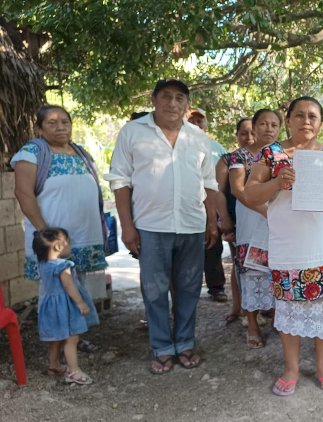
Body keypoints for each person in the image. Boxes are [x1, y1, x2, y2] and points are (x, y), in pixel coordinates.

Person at [244, 96, 323, 396]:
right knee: (289, 311)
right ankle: (291, 369)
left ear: (321, 123)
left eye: (312, 116)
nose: (306, 121)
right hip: (289, 249)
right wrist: (276, 183)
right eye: (299, 115)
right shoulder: (271, 154)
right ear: (288, 120)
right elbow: (250, 194)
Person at [106, 78, 219, 374]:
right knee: (154, 290)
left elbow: (208, 183)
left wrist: (211, 222)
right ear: (154, 100)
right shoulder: (133, 132)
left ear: (187, 105)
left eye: (180, 98)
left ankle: (185, 343)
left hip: (192, 225)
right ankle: (162, 348)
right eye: (166, 96)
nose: (172, 103)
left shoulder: (198, 137)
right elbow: (120, 180)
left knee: (189, 288)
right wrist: (127, 226)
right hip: (150, 226)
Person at [12, 104, 107, 355]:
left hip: (83, 236)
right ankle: (56, 347)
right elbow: (23, 193)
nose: (60, 127)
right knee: (55, 290)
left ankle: (75, 338)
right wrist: (46, 233)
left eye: (65, 122)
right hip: (52, 239)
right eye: (52, 123)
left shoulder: (80, 152)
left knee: (78, 287)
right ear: (39, 128)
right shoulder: (31, 153)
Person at [232, 110, 281, 348]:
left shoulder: (284, 153)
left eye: (274, 124)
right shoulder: (240, 155)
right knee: (250, 270)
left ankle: (278, 318)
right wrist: (264, 211)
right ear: (255, 127)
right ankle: (252, 325)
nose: (268, 129)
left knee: (278, 268)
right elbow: (237, 189)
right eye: (263, 124)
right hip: (251, 216)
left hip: (280, 218)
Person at [33, 228, 99, 385]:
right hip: (64, 306)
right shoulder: (62, 266)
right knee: (72, 338)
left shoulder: (43, 264)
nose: (70, 245)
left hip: (49, 307)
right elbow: (69, 286)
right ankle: (74, 371)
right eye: (68, 242)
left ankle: (54, 366)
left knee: (56, 339)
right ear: (58, 247)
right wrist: (80, 302)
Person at [189, 107, 229, 303]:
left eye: (200, 120)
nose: (197, 124)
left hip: (212, 204)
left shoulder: (217, 148)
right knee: (189, 250)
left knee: (213, 247)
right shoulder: (179, 145)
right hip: (189, 206)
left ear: (206, 124)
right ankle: (189, 290)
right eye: (192, 120)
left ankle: (216, 287)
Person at [215, 118, 253, 323]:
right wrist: (225, 219)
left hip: (266, 221)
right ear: (237, 135)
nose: (249, 137)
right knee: (240, 265)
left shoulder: (272, 156)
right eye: (244, 133)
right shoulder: (227, 160)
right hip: (236, 221)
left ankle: (263, 309)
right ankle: (239, 308)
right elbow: (217, 191)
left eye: (253, 132)